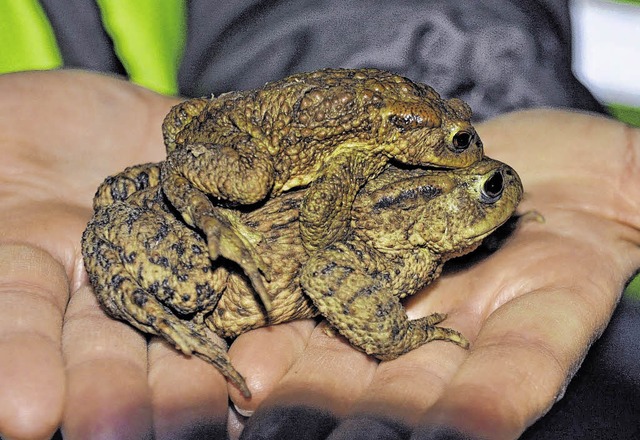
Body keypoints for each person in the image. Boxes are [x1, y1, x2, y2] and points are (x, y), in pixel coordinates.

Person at [0, 69, 639, 440]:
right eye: (486, 189)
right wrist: (393, 337)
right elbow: (327, 267)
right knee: (191, 290)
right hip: (203, 252)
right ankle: (153, 303)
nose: (501, 186)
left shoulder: (385, 188)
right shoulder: (380, 237)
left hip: (220, 165)